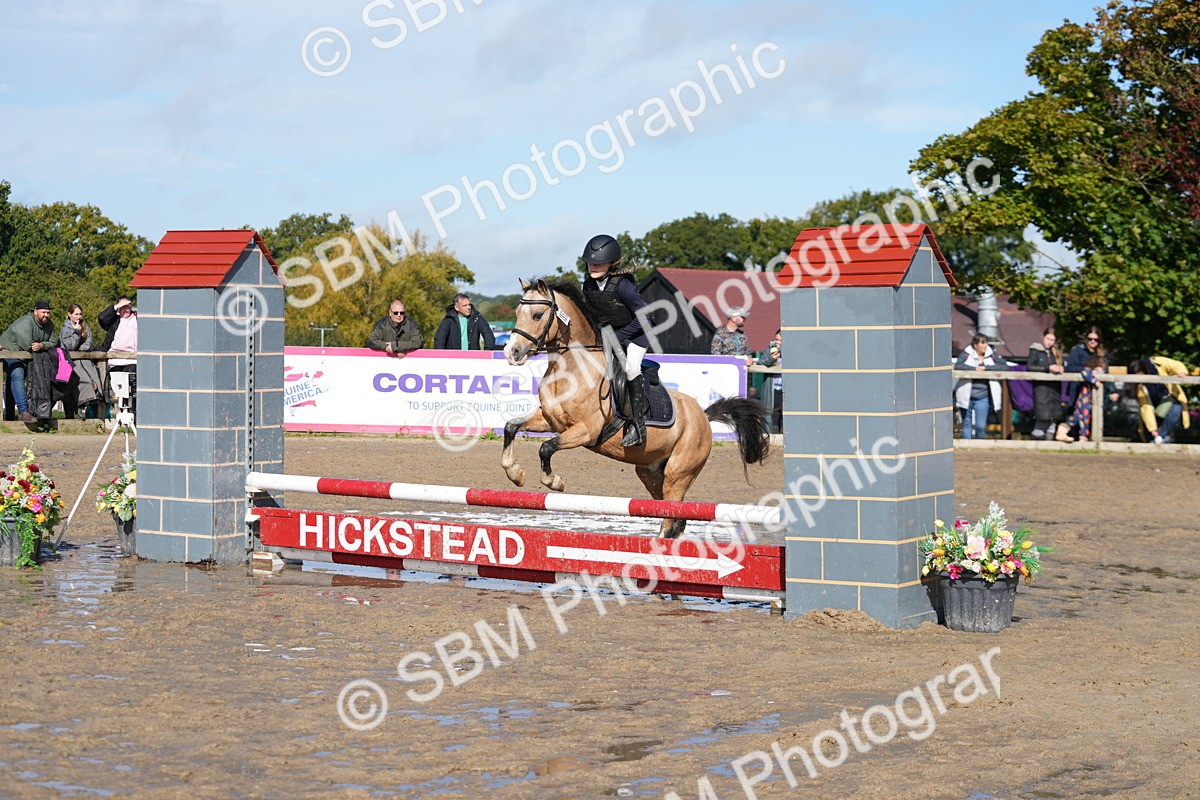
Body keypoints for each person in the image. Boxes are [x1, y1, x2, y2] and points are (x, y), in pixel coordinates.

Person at [579, 233, 652, 447]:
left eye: (598, 263)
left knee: (630, 369)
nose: (593, 266)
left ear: (611, 263)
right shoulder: (588, 286)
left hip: (637, 335)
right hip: (611, 336)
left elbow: (645, 317)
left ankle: (638, 426)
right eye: (590, 262)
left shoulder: (623, 285)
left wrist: (617, 337)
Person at [0, 300, 59, 423]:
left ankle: (10, 415)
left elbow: (54, 343)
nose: (46, 315)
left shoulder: (49, 325)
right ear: (35, 311)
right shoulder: (25, 323)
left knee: (13, 379)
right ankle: (23, 412)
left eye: (48, 312)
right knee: (17, 374)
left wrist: (42, 345)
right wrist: (40, 346)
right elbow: (28, 346)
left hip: (27, 357)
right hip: (9, 352)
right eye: (43, 312)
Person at [953, 334, 1009, 439]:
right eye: (982, 343)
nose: (985, 345)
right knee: (966, 423)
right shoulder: (966, 354)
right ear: (975, 345)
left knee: (980, 426)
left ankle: (980, 443)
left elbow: (1004, 366)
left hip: (983, 396)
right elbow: (958, 365)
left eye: (986, 343)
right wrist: (974, 369)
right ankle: (966, 445)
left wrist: (986, 368)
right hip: (966, 395)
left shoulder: (992, 354)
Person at [1128, 356, 1192, 444]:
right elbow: (1146, 409)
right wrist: (1153, 431)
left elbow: (1176, 365)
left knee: (1176, 409)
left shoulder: (1157, 362)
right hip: (1153, 407)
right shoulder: (1140, 388)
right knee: (1150, 427)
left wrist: (1181, 372)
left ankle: (1160, 438)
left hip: (1167, 399)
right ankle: (1155, 438)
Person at [60, 303, 103, 419]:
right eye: (76, 314)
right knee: (80, 382)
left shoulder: (86, 326)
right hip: (71, 362)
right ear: (69, 314)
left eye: (80, 314)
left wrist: (77, 347)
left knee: (94, 382)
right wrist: (77, 333)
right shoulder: (65, 329)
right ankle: (77, 409)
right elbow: (70, 346)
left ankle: (88, 409)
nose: (78, 317)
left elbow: (88, 345)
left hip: (85, 361)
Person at [99, 296, 139, 415]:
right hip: (115, 360)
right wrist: (117, 306)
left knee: (131, 385)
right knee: (119, 386)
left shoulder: (137, 319)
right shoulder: (114, 321)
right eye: (123, 307)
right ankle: (123, 413)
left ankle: (133, 413)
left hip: (132, 360)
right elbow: (102, 318)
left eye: (127, 306)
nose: (125, 309)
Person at [1026, 327, 1065, 439]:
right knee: (1042, 421)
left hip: (1054, 391)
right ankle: (1035, 444)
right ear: (1042, 337)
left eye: (1052, 340)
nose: (1049, 342)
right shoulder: (1035, 351)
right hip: (1041, 390)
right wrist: (1047, 368)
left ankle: (1048, 446)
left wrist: (1060, 368)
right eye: (1048, 338)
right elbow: (1030, 367)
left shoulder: (1055, 353)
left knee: (1052, 422)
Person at [1057, 357, 1105, 442]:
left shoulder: (1092, 373)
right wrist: (1095, 381)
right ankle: (1081, 436)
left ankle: (1078, 436)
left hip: (1086, 402)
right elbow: (1085, 372)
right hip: (1084, 401)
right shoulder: (1088, 372)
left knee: (1079, 419)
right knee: (1081, 419)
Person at [1065, 326, 1106, 407]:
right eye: (1090, 339)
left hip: (1096, 392)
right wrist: (1086, 370)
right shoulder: (1077, 350)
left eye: (1096, 340)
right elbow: (1070, 367)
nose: (1093, 341)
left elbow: (1107, 371)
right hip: (1078, 390)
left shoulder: (1101, 353)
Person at [758, 329, 783, 433]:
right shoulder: (770, 349)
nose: (776, 342)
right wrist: (772, 358)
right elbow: (761, 361)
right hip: (773, 388)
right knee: (773, 415)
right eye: (776, 339)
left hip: (786, 388)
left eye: (779, 340)